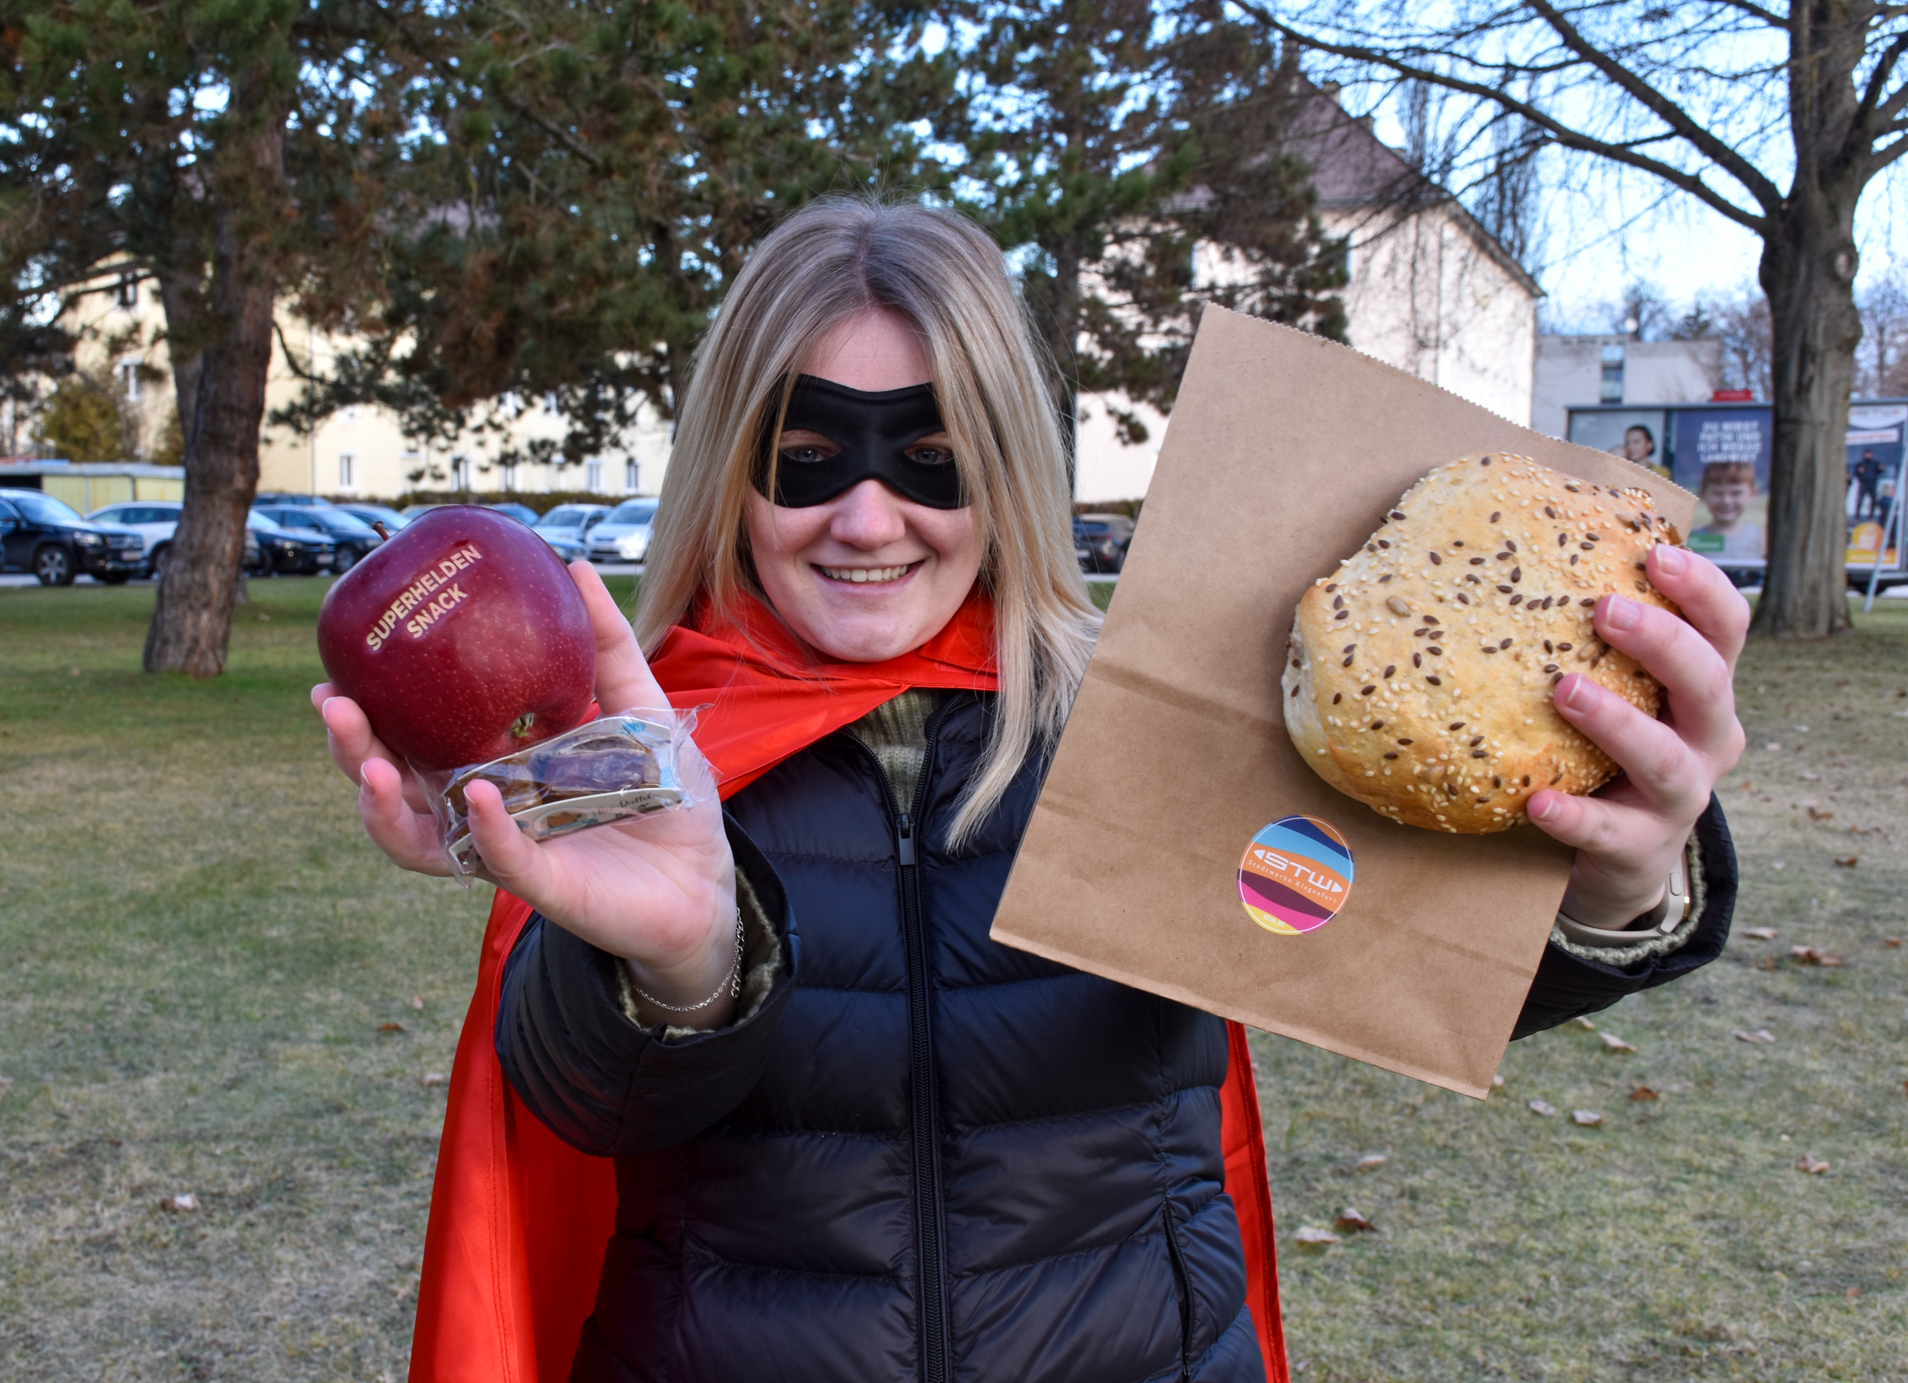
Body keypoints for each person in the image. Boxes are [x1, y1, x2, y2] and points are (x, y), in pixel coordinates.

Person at [313, 200, 1746, 1383]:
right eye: (808, 458)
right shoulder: (650, 749)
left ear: (1005, 462)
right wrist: (685, 960)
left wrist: (1612, 883)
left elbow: (1394, 935)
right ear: (730, 471)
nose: (867, 519)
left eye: (929, 456)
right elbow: (580, 1103)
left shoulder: (1165, 716)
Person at [1688, 460, 1767, 564]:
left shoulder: (1762, 538)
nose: (1726, 501)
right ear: (1703, 494)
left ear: (1752, 494)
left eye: (1736, 493)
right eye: (1718, 493)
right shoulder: (1691, 540)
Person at [1852, 448, 1882, 519]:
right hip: (1863, 484)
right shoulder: (1860, 464)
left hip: (1872, 484)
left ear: (1872, 455)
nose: (1868, 455)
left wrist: (1881, 469)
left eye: (1870, 454)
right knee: (1860, 500)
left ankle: (1871, 516)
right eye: (1867, 454)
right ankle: (1857, 517)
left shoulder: (1875, 463)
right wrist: (1859, 471)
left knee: (1874, 501)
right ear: (1864, 455)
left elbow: (1879, 471)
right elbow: (1856, 473)